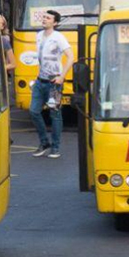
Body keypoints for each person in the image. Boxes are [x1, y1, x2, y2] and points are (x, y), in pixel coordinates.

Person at [29, 10, 72, 159]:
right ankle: (44, 142)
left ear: (55, 23)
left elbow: (70, 57)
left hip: (54, 82)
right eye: (44, 17)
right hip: (40, 80)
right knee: (34, 111)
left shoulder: (58, 37)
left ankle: (55, 147)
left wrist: (62, 76)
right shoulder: (39, 35)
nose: (44, 19)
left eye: (48, 18)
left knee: (55, 114)